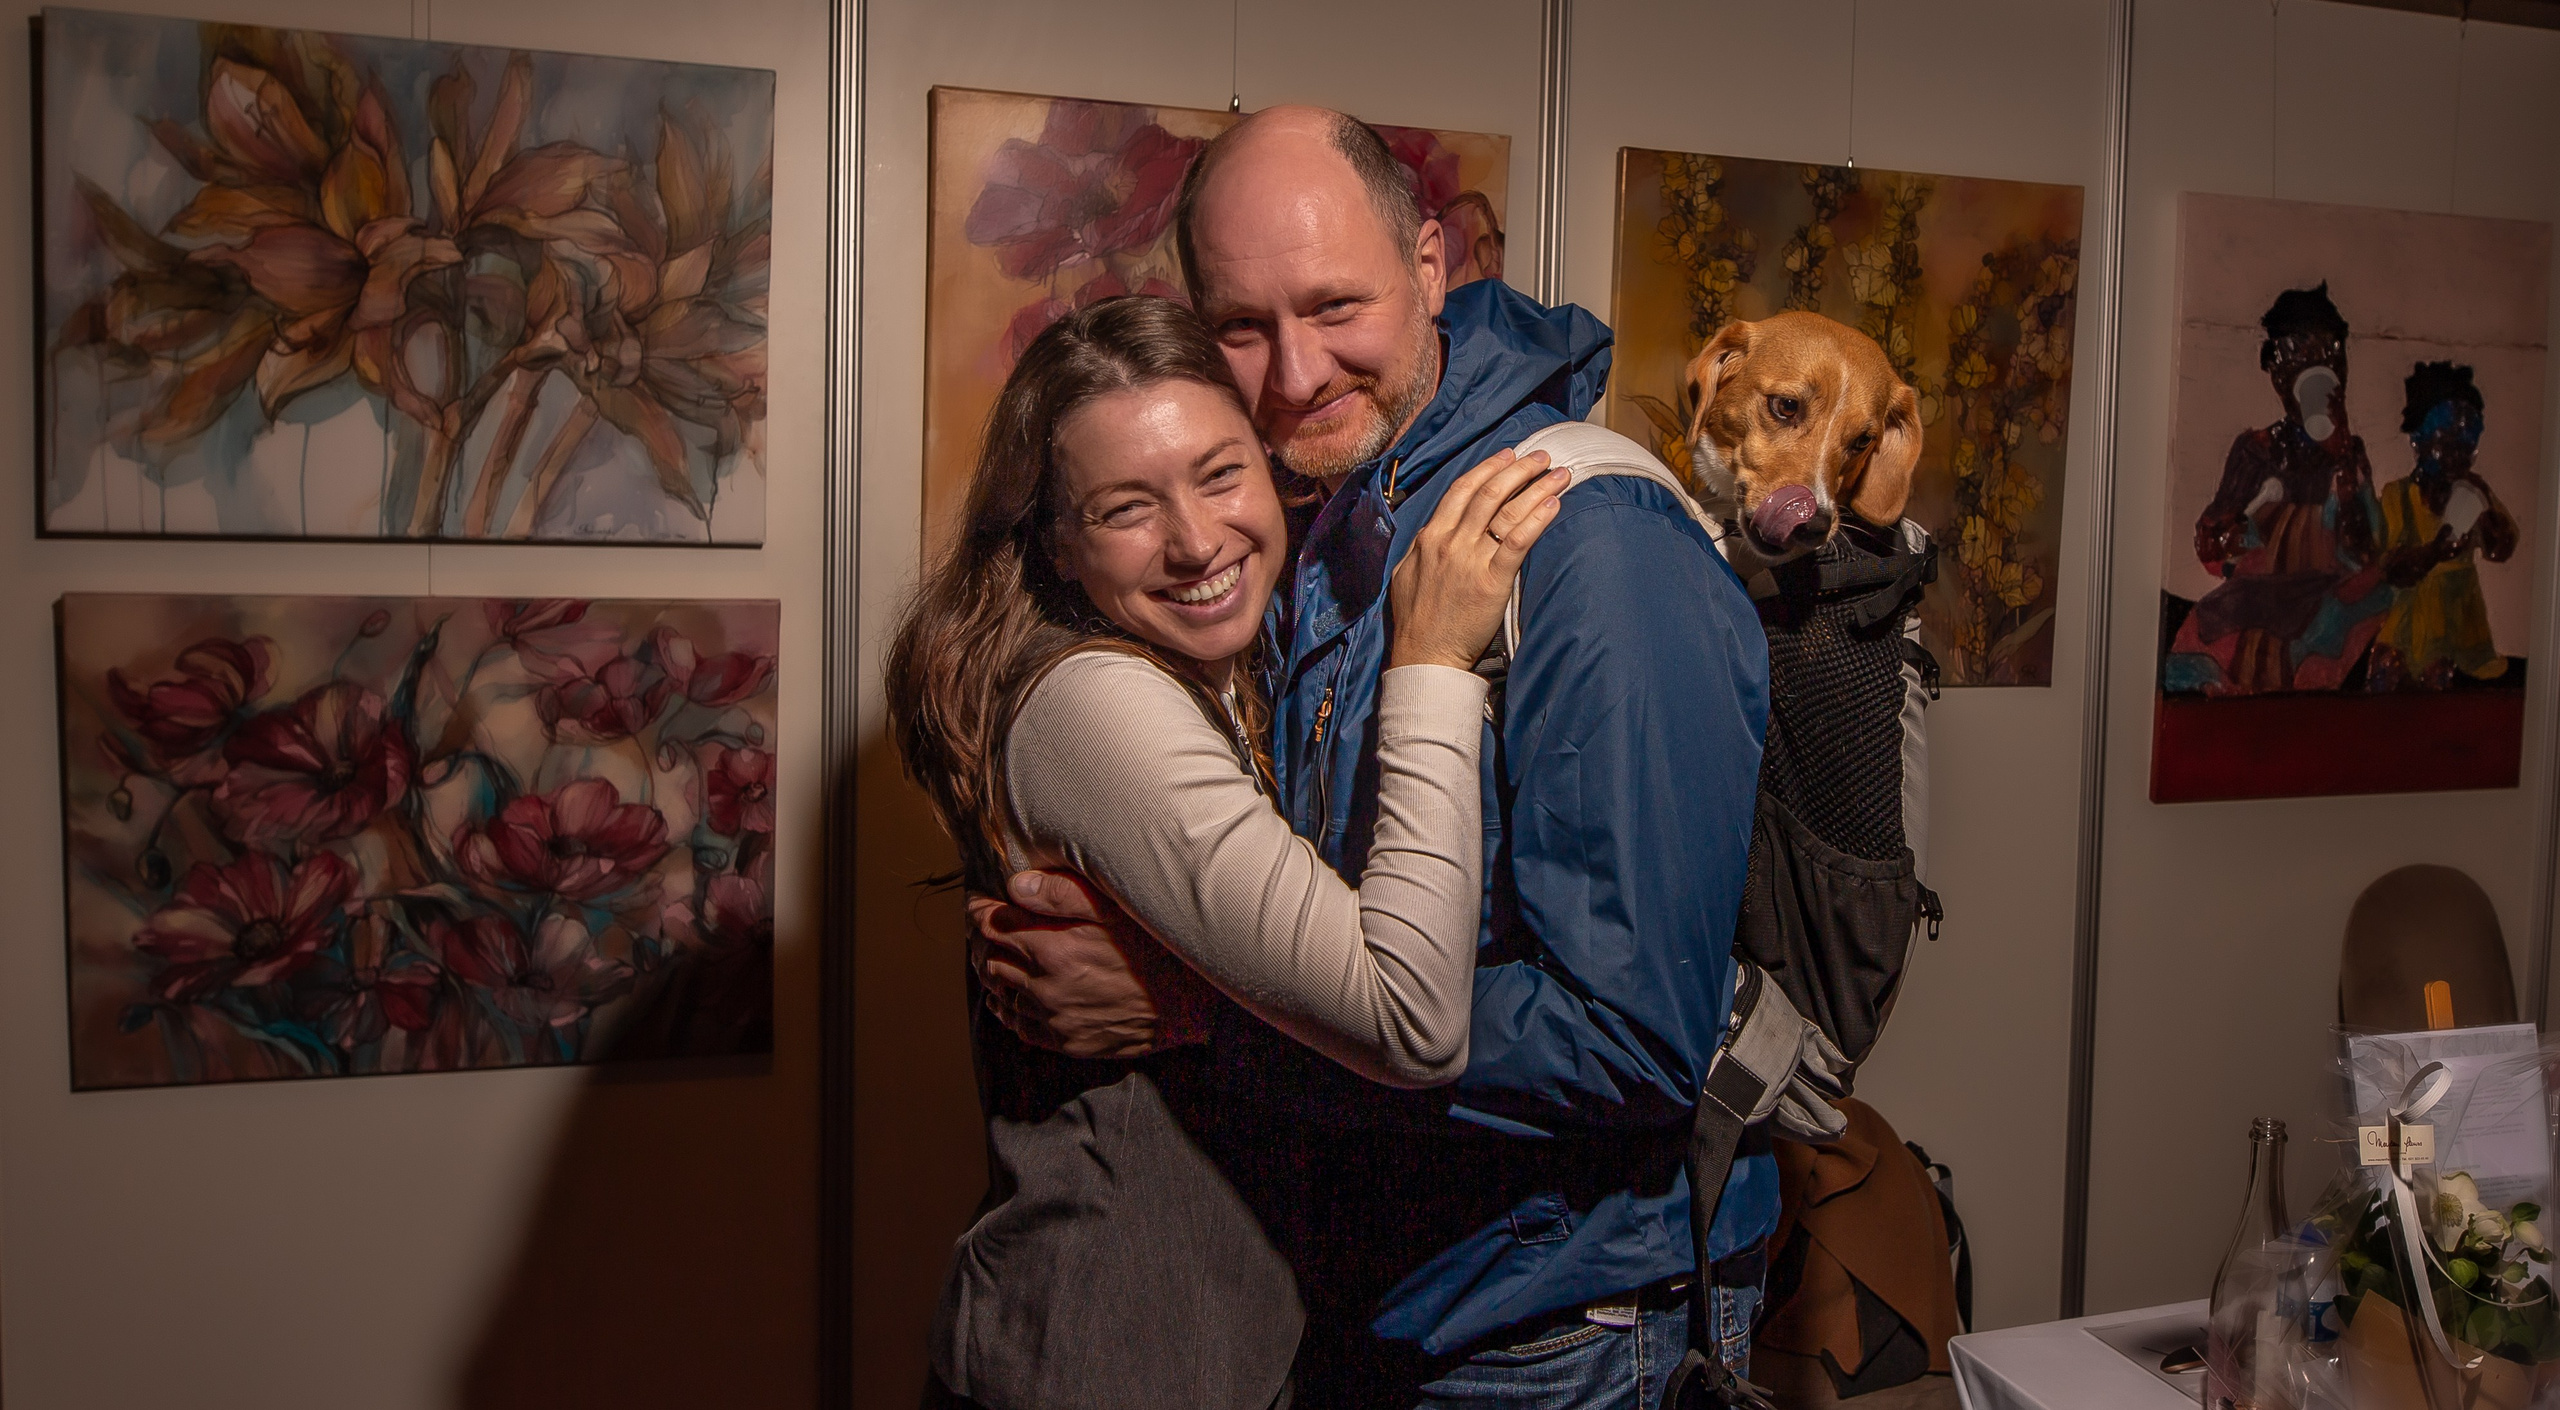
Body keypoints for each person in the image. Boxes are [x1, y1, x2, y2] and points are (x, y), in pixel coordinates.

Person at [973, 106, 1773, 1408]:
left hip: (1563, 1329)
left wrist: (1200, 1021)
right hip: (1382, 1304)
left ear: (1429, 262)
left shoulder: (1586, 542)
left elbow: (1635, 1038)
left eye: (1334, 303)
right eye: (1241, 325)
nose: (1291, 372)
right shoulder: (1315, 518)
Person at [887, 294, 1570, 1410]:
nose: (1197, 541)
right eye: (1124, 508)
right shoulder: (1098, 701)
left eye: (1218, 475)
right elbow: (1410, 1020)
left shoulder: (1223, 665)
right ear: (1055, 540)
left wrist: (1187, 1006)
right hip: (1107, 1362)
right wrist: (1433, 665)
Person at [2165, 283, 2389, 695]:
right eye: (2299, 356)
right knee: (2209, 635)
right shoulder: (2257, 450)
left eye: (2329, 356)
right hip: (2260, 594)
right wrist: (2221, 537)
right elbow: (2216, 540)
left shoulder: (2349, 456)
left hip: (2326, 594)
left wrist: (2342, 463)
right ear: (2275, 370)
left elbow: (2365, 554)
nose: (2317, 369)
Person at [2370, 360, 2518, 690]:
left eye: (2467, 444)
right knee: (2387, 674)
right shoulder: (2399, 496)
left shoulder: (2473, 492)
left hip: (2461, 629)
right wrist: (2435, 551)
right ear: (2418, 440)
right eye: (2446, 441)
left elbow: (2500, 550)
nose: (2457, 455)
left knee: (2447, 682)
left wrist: (2487, 514)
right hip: (2410, 628)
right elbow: (2391, 569)